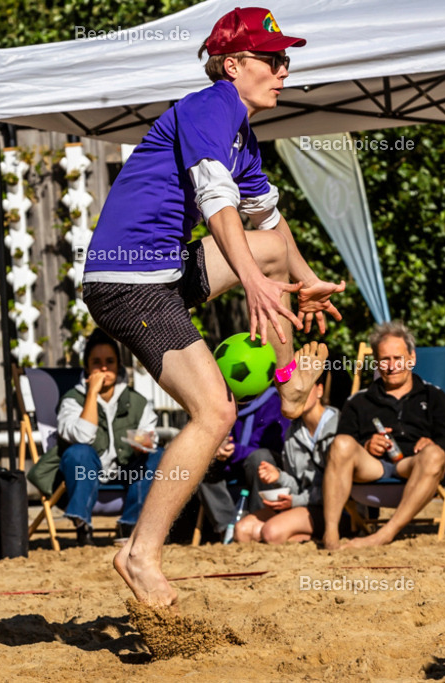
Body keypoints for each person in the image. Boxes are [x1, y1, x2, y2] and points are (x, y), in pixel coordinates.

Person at [80, 7, 343, 608]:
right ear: (233, 65)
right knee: (216, 413)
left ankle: (291, 389)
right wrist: (250, 280)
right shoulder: (210, 106)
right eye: (272, 59)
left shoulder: (241, 131)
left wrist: (305, 280)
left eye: (285, 58)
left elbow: (267, 221)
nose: (284, 68)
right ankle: (140, 554)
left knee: (274, 247)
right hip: (129, 284)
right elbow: (215, 197)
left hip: (164, 273)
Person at [321, 320, 445, 549]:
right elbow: (342, 444)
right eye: (385, 359)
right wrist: (365, 445)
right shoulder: (359, 401)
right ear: (376, 362)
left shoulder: (433, 396)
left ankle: (385, 533)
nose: (391, 366)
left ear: (411, 359)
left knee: (436, 454)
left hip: (412, 464)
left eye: (398, 358)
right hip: (372, 466)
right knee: (342, 443)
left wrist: (431, 443)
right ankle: (330, 535)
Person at [26, 329, 159, 546]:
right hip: (80, 482)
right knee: (79, 451)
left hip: (126, 478)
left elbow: (149, 439)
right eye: (97, 362)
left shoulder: (137, 402)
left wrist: (142, 445)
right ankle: (83, 524)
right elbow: (83, 436)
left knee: (160, 455)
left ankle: (130, 523)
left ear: (118, 366)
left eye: (110, 361)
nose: (104, 368)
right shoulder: (71, 401)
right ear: (87, 367)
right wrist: (91, 394)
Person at [234, 374, 347, 544]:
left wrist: (295, 501)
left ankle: (313, 541)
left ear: (319, 390)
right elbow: (297, 484)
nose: (295, 396)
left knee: (271, 532)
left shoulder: (340, 427)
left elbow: (340, 489)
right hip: (302, 506)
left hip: (336, 510)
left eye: (302, 389)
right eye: (289, 391)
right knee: (243, 530)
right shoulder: (293, 432)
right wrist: (279, 477)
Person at [197, 386, 290, 538]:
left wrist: (234, 450)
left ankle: (258, 522)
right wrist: (217, 448)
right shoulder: (221, 401)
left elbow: (268, 449)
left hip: (261, 465)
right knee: (201, 463)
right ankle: (227, 529)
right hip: (230, 462)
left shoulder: (273, 402)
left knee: (259, 459)